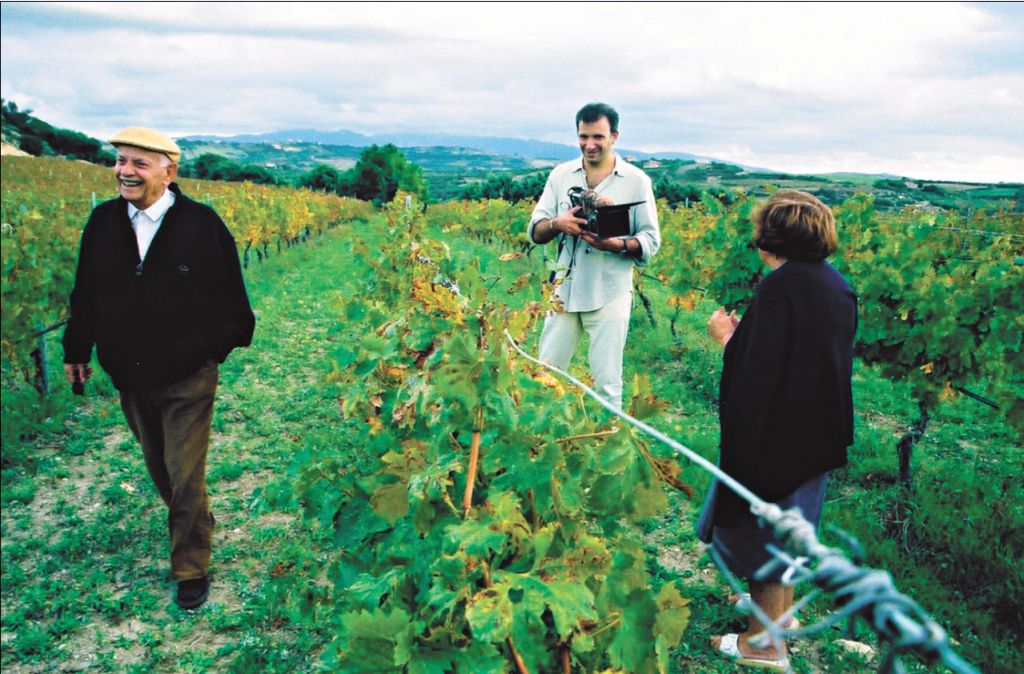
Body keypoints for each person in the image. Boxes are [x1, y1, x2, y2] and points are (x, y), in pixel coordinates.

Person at [62, 127, 255, 610]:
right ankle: (197, 525)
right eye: (121, 160)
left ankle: (190, 566)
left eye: (138, 163)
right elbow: (85, 293)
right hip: (129, 372)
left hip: (189, 374)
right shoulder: (102, 221)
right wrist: (77, 350)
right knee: (160, 469)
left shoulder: (201, 224)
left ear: (169, 171)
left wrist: (211, 352)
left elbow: (233, 300)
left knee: (184, 471)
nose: (124, 170)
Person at [696, 190, 857, 670]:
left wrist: (728, 339)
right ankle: (778, 618)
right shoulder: (835, 285)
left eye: (759, 231)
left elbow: (756, 376)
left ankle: (762, 646)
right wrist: (751, 337)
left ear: (771, 239)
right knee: (790, 529)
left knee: (762, 535)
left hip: (776, 443)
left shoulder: (780, 288)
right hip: (815, 437)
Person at [528, 102, 660, 410]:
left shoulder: (636, 180)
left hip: (609, 291)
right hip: (563, 291)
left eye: (597, 137)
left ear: (614, 136)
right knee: (545, 374)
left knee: (607, 384)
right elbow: (535, 230)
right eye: (584, 137)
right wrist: (557, 223)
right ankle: (541, 442)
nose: (590, 144)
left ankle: (605, 448)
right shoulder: (560, 176)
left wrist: (615, 244)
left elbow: (650, 241)